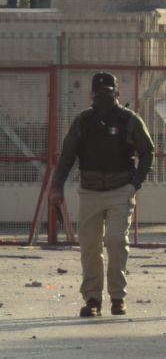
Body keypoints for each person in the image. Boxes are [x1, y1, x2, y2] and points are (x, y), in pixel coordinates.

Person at [49, 72, 154, 318]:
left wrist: (135, 183)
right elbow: (67, 155)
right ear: (91, 94)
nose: (103, 97)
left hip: (120, 190)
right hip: (90, 191)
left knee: (116, 241)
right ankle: (93, 299)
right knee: (89, 246)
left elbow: (148, 151)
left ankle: (118, 297)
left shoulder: (130, 120)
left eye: (108, 92)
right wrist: (57, 186)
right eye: (99, 93)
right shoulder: (83, 121)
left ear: (117, 93)